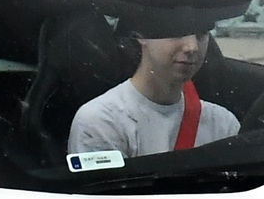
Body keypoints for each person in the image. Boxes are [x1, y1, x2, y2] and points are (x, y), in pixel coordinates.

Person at [67, 10, 240, 162]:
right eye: (177, 31)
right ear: (142, 36)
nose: (192, 47)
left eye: (202, 34)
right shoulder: (101, 122)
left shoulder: (223, 124)